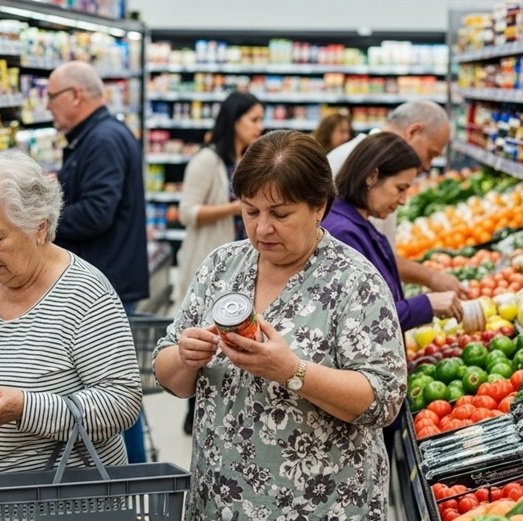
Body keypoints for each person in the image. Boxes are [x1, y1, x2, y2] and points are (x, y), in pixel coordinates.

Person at [154, 130, 406, 519]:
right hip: (221, 501)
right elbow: (167, 372)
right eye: (251, 211)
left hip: (321, 505)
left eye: (280, 214)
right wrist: (185, 356)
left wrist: (292, 371)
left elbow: (383, 399)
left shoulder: (355, 282)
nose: (262, 229)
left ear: (319, 206)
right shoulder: (221, 266)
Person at [0, 150, 142, 521]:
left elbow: (122, 402)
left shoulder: (85, 294)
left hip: (66, 509)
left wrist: (25, 409)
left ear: (39, 227)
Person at [46, 60, 149, 462]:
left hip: (107, 283)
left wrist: (40, 220)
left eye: (52, 96)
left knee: (111, 391)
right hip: (110, 275)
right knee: (109, 385)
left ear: (75, 95)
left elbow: (96, 212)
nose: (47, 106)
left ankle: (128, 479)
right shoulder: (96, 136)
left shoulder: (103, 139)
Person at [175, 91, 264, 435]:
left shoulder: (246, 158)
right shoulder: (207, 160)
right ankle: (195, 408)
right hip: (211, 262)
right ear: (233, 121)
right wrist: (239, 207)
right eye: (253, 119)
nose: (259, 126)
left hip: (246, 264)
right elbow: (187, 212)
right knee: (204, 335)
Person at [327, 100, 469, 299]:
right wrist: (427, 296)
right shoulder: (350, 164)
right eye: (431, 154)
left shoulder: (380, 169)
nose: (428, 166)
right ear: (414, 132)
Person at [325, 132, 463, 331]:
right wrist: (428, 304)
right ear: (372, 177)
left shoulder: (358, 224)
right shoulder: (344, 234)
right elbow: (362, 320)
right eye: (400, 188)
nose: (403, 200)